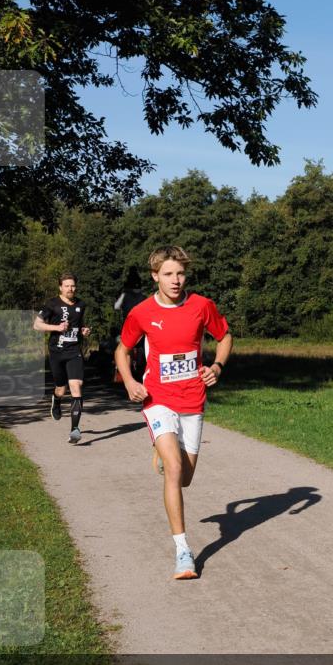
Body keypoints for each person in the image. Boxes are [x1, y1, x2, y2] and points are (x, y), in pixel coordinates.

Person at [115, 245, 232, 580]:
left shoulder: (201, 306)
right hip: (157, 398)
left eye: (180, 273)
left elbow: (224, 337)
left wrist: (217, 367)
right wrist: (129, 381)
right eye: (168, 273)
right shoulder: (141, 312)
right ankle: (183, 551)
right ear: (155, 276)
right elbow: (123, 351)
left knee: (186, 479)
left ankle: (164, 454)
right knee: (175, 469)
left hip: (193, 399)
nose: (175, 280)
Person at [33, 273, 91, 444]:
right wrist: (56, 327)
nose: (70, 289)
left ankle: (74, 430)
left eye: (72, 286)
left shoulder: (81, 304)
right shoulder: (52, 304)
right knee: (61, 388)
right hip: (57, 352)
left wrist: (84, 331)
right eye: (67, 286)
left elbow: (79, 325)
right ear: (60, 287)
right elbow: (36, 325)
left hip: (74, 352)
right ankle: (56, 400)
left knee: (76, 386)